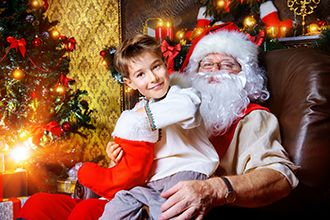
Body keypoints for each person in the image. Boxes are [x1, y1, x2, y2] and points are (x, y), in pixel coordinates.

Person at [107, 22, 300, 219]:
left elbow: (279, 177)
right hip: (147, 196)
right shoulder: (166, 105)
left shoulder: (253, 118)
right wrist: (120, 152)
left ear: (245, 75)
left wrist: (215, 189)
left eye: (227, 64)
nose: (215, 69)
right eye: (206, 64)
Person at [18, 34, 219, 220]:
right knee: (48, 204)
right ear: (129, 83)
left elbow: (187, 110)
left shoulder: (183, 94)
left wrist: (138, 119)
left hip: (185, 175)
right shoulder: (138, 110)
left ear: (165, 65)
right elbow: (134, 161)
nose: (153, 78)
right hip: (146, 183)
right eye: (141, 74)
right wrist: (117, 155)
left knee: (159, 210)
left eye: (156, 67)